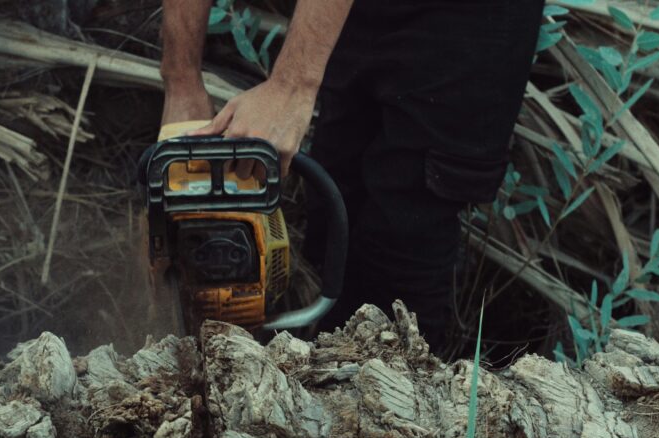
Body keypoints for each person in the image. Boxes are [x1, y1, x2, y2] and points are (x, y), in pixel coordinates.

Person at [159, 0, 545, 351]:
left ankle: (401, 408)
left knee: (400, 241)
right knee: (336, 209)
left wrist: (291, 86)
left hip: (469, 19)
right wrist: (182, 82)